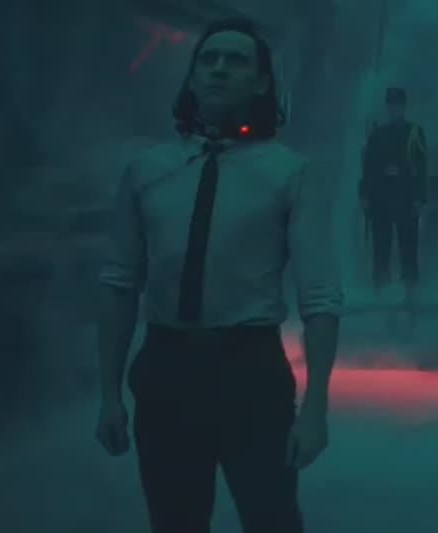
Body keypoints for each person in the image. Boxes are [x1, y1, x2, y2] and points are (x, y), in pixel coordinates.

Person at [94, 18, 342, 533]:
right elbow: (120, 283)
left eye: (236, 60)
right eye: (208, 59)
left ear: (261, 81)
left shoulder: (289, 173)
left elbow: (319, 296)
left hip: (249, 368)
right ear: (191, 77)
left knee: (271, 518)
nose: (219, 69)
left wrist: (316, 406)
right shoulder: (148, 171)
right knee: (174, 521)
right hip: (166, 366)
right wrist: (110, 395)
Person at [360, 87, 428, 299]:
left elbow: (422, 166)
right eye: (392, 105)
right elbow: (368, 167)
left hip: (406, 196)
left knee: (408, 244)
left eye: (398, 105)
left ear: (404, 107)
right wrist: (364, 195)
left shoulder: (414, 132)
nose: (395, 109)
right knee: (381, 244)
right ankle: (381, 289)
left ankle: (410, 289)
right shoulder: (378, 134)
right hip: (381, 196)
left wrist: (419, 197)